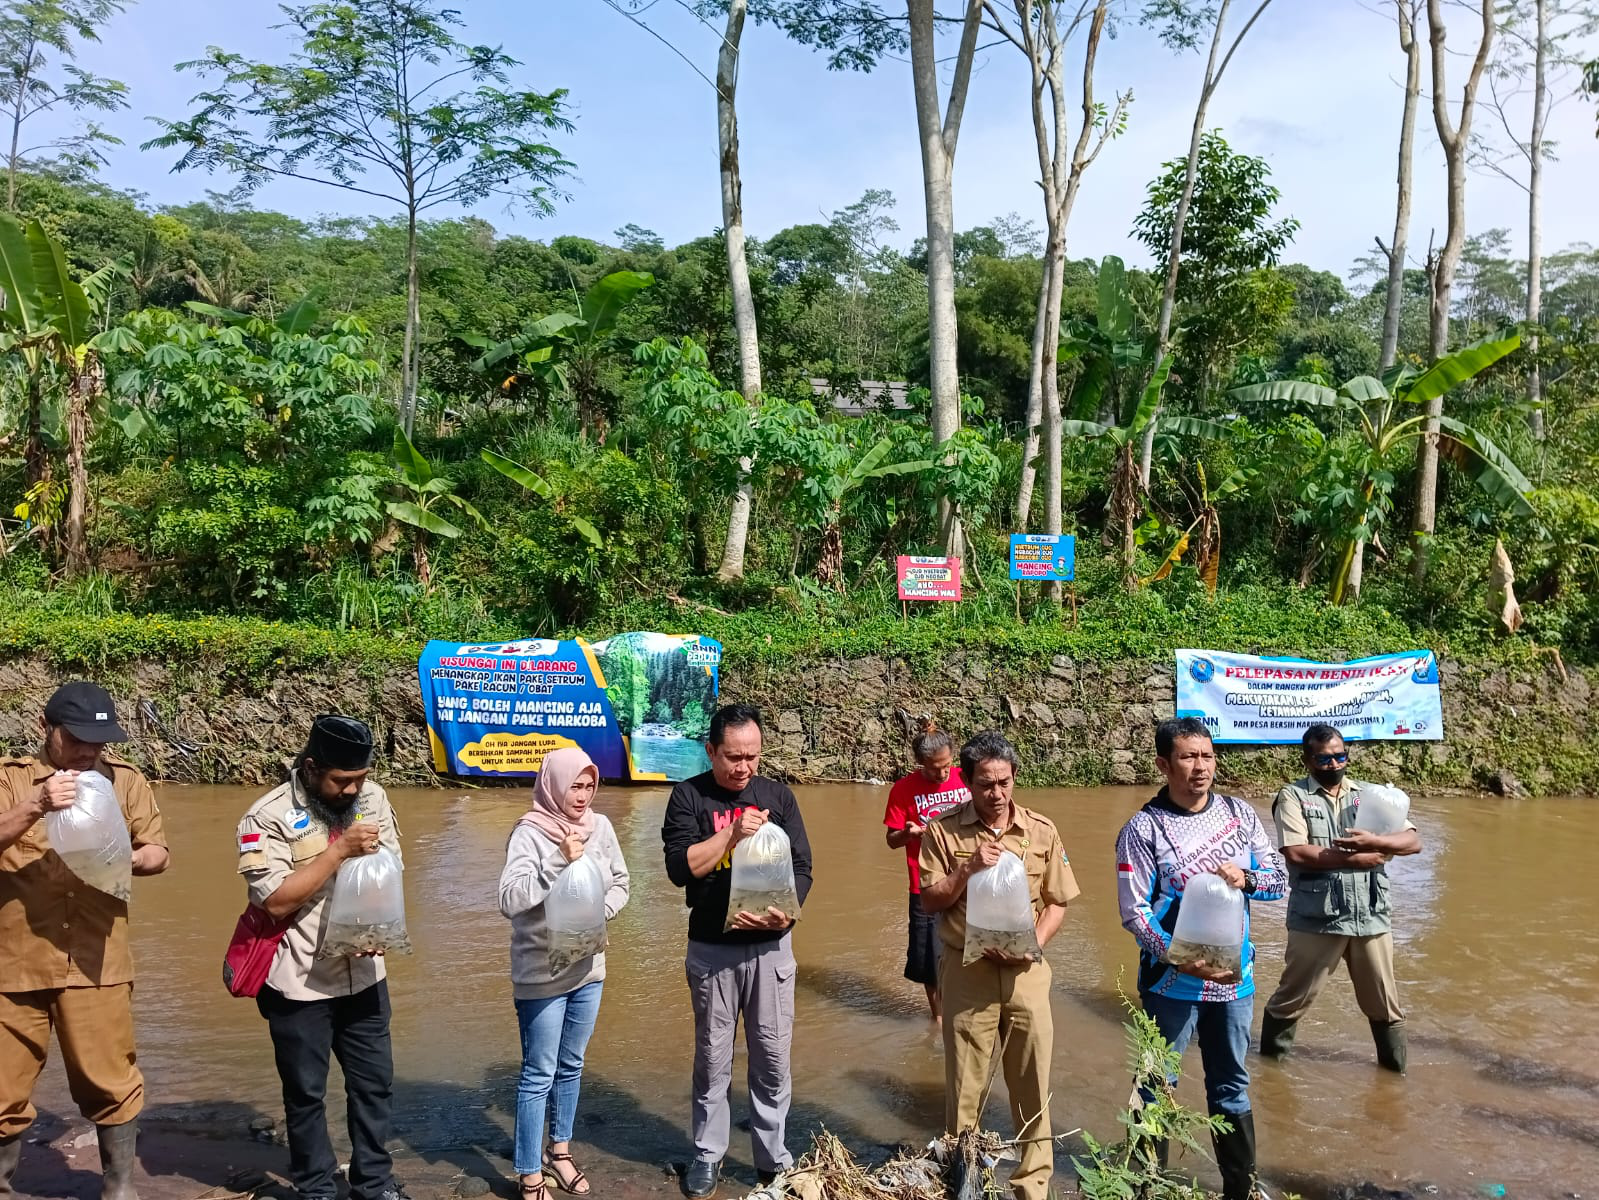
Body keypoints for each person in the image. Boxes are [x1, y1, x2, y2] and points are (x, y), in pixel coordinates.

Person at [0, 682, 170, 1200]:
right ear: (44, 730)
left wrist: (136, 860)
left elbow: (158, 851)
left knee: (111, 1082)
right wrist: (35, 806)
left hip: (98, 962)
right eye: (76, 738)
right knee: (1, 1090)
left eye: (99, 740)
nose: (89, 750)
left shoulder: (125, 782)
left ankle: (119, 1189)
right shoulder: (10, 781)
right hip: (13, 964)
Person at [235, 715, 407, 1200]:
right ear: (311, 769)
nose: (353, 790)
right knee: (306, 1093)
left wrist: (379, 927)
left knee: (374, 1086)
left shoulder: (373, 798)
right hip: (299, 980)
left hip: (365, 972)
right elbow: (275, 901)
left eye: (360, 778)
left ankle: (374, 1182)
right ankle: (315, 1187)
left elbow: (391, 869)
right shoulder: (265, 816)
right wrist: (338, 853)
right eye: (340, 781)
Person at [1114, 717, 1286, 1200]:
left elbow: (1278, 882)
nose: (1200, 767)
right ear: (1163, 764)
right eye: (1188, 757)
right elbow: (1135, 914)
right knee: (1154, 1085)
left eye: (1207, 756)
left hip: (1235, 982)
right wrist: (1173, 956)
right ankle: (1145, 1189)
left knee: (1231, 1085)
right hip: (1170, 985)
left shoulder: (1239, 815)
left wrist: (1247, 879)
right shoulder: (1143, 829)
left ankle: (1240, 1189)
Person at [918, 731, 1078, 1200]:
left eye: (1004, 782)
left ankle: (1032, 1186)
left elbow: (1057, 902)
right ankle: (966, 1182)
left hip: (1028, 973)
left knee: (1032, 1084)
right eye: (986, 784)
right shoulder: (943, 831)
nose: (997, 793)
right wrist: (966, 870)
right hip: (968, 972)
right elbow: (929, 901)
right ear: (965, 781)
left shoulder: (1040, 831)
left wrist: (1034, 944)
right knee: (964, 1088)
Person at [661, 704, 813, 1199]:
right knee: (713, 1057)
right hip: (712, 951)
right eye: (732, 756)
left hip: (771, 949)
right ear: (710, 750)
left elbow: (803, 867)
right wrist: (730, 833)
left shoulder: (778, 796)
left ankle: (773, 1160)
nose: (743, 767)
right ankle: (708, 1154)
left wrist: (786, 914)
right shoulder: (689, 797)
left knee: (772, 1057)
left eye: (751, 756)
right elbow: (681, 869)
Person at [499, 747, 630, 1200]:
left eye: (589, 785)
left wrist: (599, 914)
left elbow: (621, 881)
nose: (582, 795)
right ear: (554, 784)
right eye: (574, 785)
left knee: (571, 1066)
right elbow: (510, 900)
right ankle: (529, 1172)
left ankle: (560, 1152)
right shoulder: (530, 833)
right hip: (541, 974)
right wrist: (558, 860)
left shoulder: (601, 826)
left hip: (589, 968)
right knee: (539, 1072)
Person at [1259, 724, 1422, 1073]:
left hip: (1371, 915)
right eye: (1323, 758)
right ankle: (1270, 1075)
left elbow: (1412, 841)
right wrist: (1359, 858)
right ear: (1307, 759)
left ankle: (1395, 1080)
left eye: (1340, 756)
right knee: (1291, 999)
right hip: (1318, 917)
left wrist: (1378, 843)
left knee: (1385, 1005)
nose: (1333, 764)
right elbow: (1297, 852)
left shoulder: (1370, 796)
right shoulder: (1293, 797)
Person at [882, 720, 971, 1021]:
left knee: (972, 949)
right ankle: (939, 1018)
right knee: (930, 959)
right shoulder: (903, 790)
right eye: (934, 768)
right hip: (925, 886)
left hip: (969, 881)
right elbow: (892, 841)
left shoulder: (966, 779)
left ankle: (968, 1009)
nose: (943, 773)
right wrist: (907, 833)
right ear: (920, 763)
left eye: (947, 766)